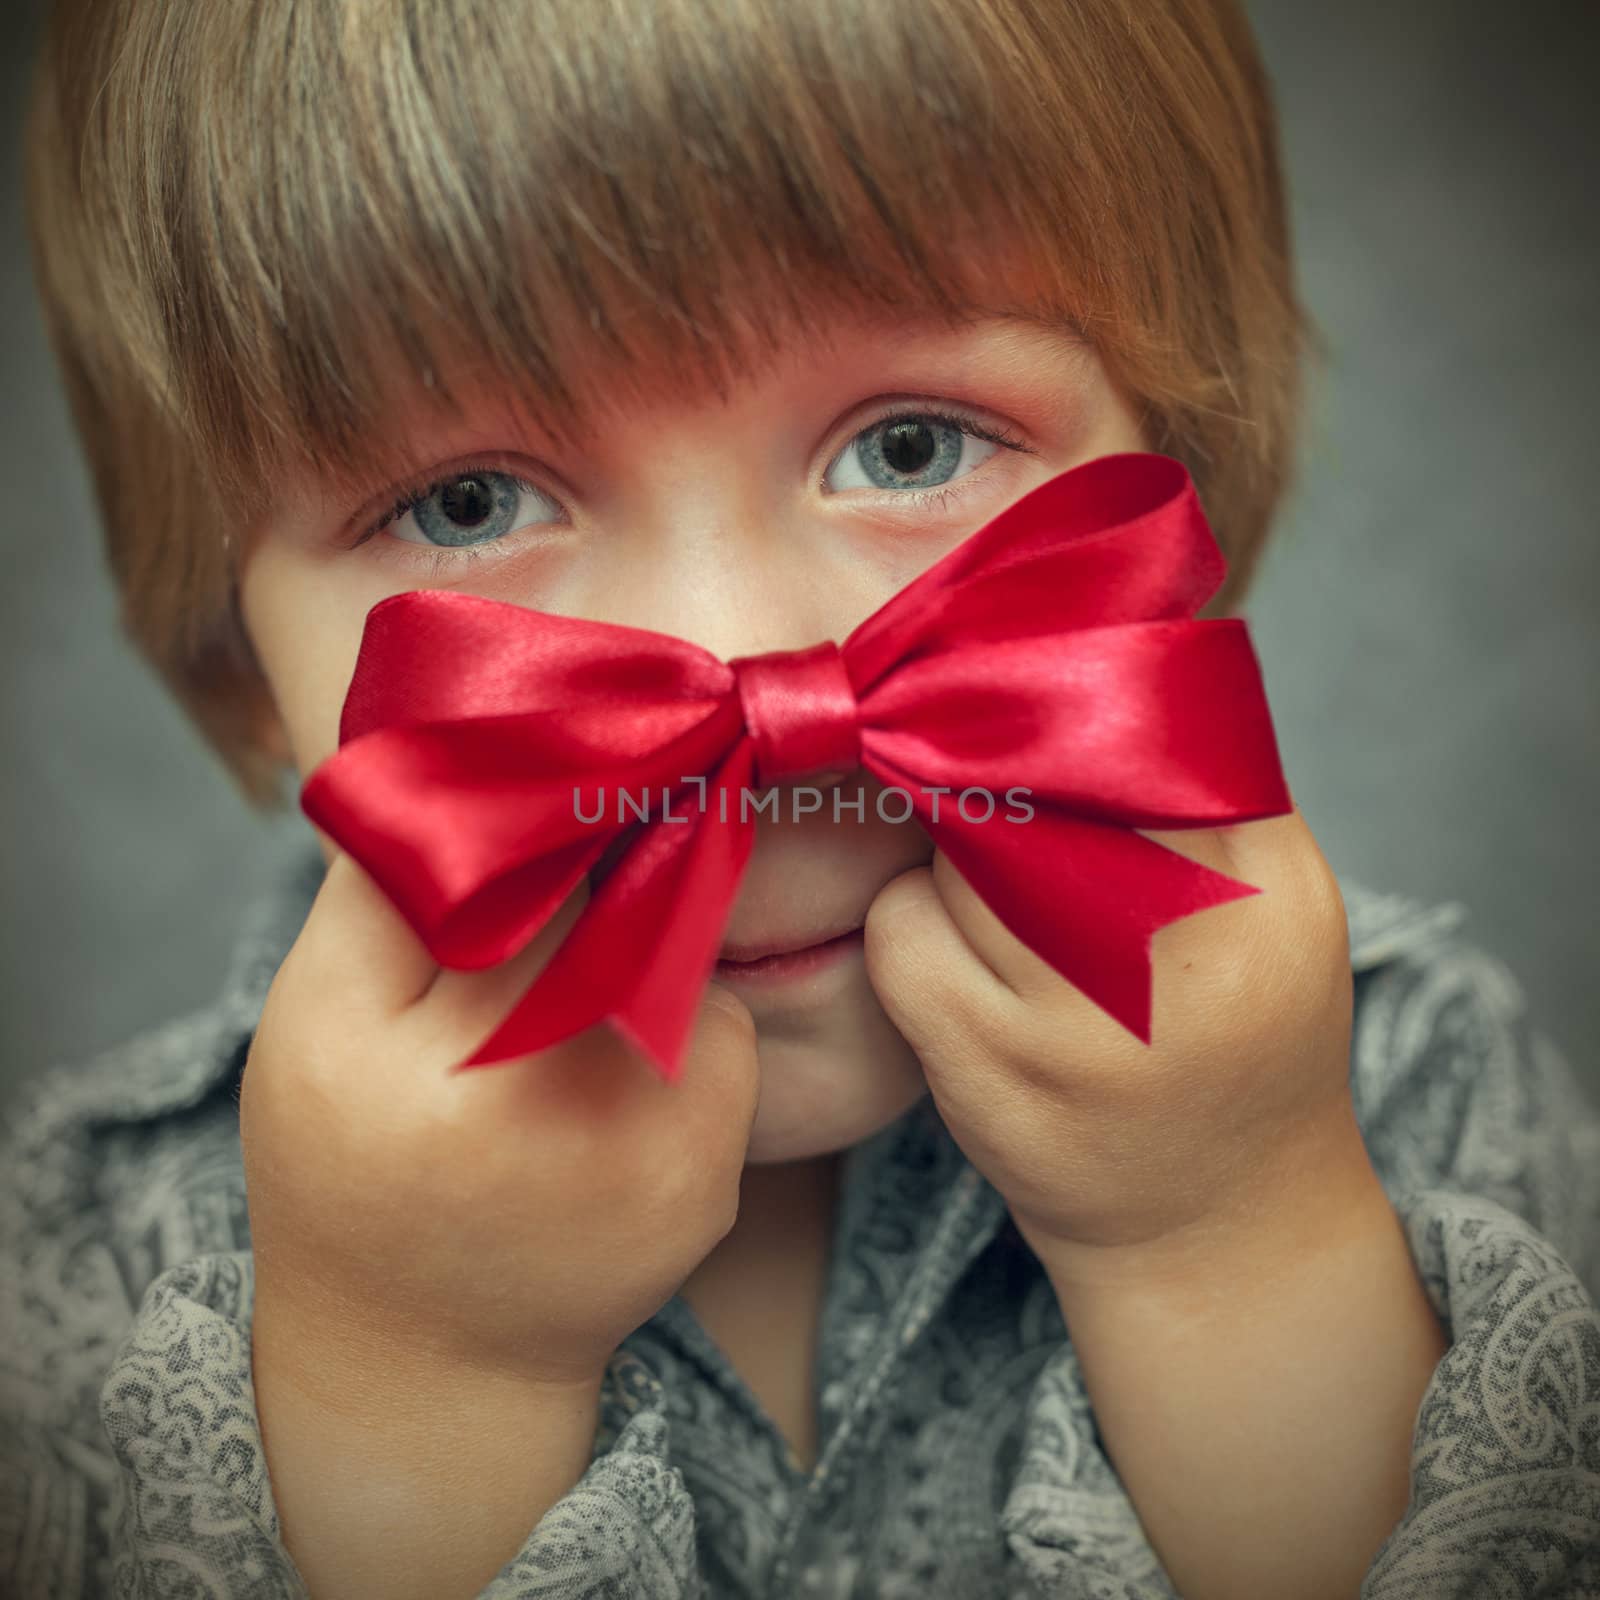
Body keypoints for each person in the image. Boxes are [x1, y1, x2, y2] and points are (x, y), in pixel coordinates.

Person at [5, 0, 1598, 1596]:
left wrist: (1236, 1238)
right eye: (467, 500)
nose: (741, 653)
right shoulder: (70, 1261)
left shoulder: (1417, 1086)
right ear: (233, 655)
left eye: (909, 446)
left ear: (1182, 478)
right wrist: (414, 1383)